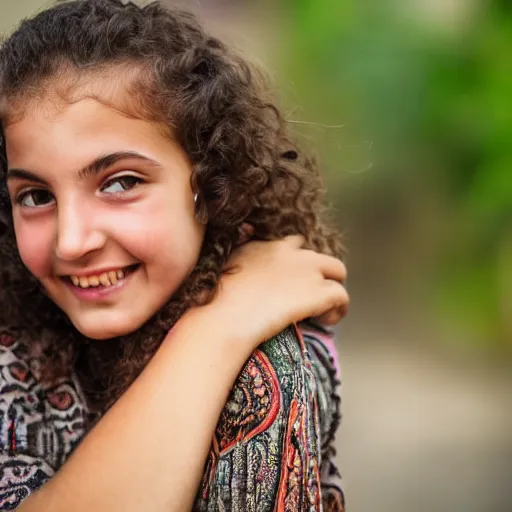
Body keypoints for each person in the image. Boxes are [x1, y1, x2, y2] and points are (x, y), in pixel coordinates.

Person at [0, 1, 349, 510]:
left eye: (120, 183)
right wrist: (219, 325)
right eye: (35, 196)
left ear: (210, 187)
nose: (71, 242)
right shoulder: (16, 349)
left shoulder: (269, 367)